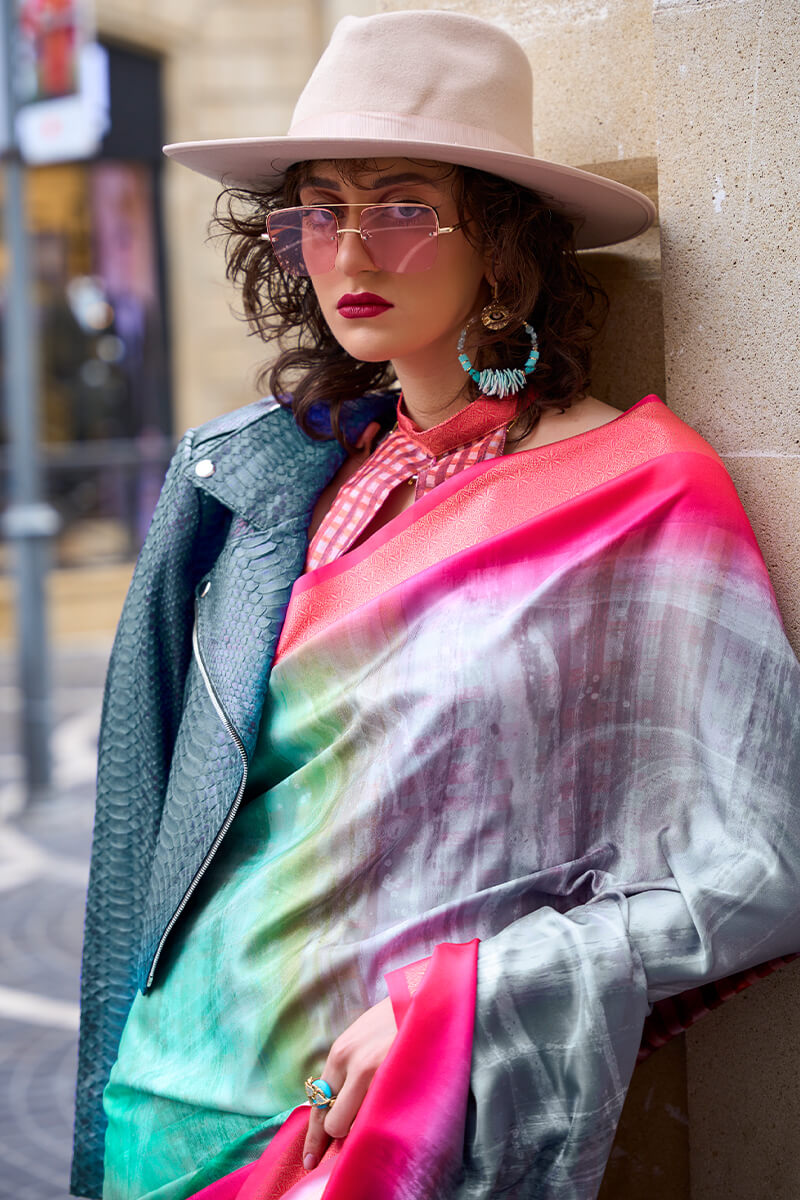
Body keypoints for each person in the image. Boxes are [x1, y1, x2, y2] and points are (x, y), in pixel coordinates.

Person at [71, 11, 800, 1200]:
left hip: (373, 1117)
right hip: (166, 1093)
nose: (349, 251)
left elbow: (761, 865)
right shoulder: (254, 483)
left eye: (402, 206)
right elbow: (147, 831)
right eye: (317, 207)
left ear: (502, 242)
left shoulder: (635, 493)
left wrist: (469, 997)